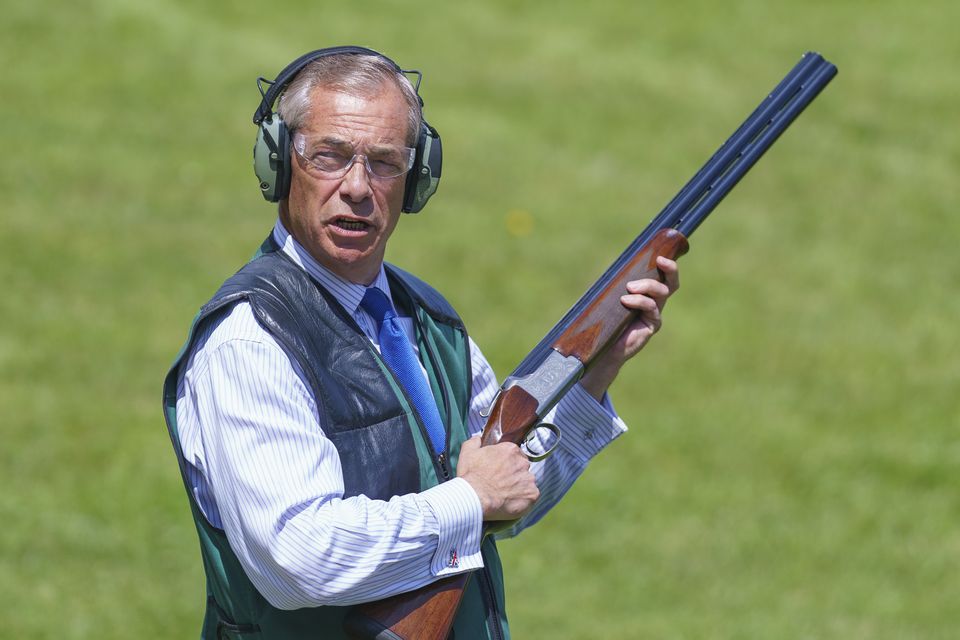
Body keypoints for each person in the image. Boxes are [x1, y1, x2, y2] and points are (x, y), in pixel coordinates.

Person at [162, 47, 679, 640]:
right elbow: (299, 559)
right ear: (279, 161)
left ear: (416, 178)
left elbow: (509, 490)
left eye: (383, 163)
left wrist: (595, 374)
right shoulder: (251, 339)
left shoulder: (429, 320)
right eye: (329, 157)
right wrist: (466, 500)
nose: (357, 187)